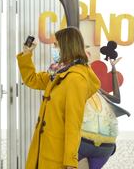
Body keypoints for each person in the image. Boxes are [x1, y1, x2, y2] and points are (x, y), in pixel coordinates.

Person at [17, 26, 100, 169]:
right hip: (44, 150)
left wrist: (71, 162)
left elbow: (73, 123)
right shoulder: (59, 73)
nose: (54, 48)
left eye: (55, 45)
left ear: (66, 46)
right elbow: (32, 79)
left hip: (56, 157)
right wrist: (26, 54)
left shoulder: (75, 79)